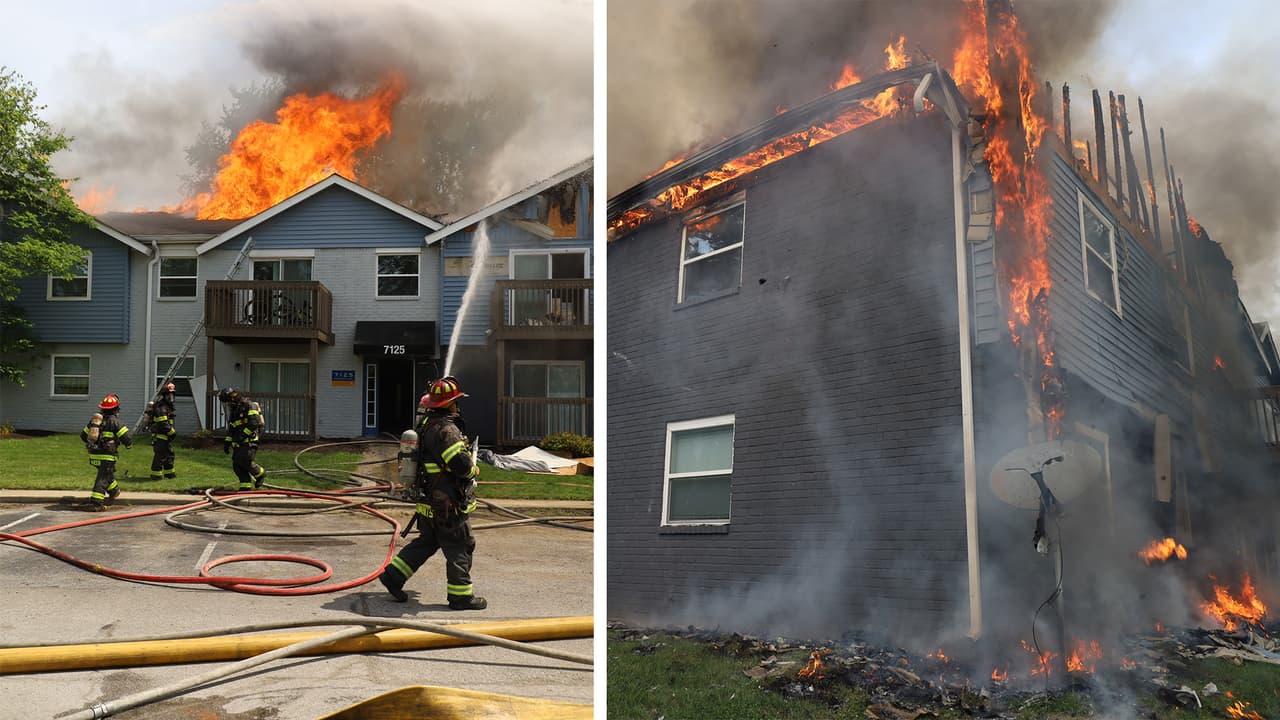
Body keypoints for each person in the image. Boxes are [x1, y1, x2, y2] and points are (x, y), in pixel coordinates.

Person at [378, 376, 486, 610]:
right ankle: (461, 597)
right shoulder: (446, 430)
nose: (458, 406)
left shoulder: (426, 425)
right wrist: (473, 469)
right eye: (456, 401)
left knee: (427, 542)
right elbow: (460, 465)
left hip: (429, 501)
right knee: (460, 545)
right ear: (450, 405)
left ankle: (393, 576)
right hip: (447, 504)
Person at [80, 394, 132, 511]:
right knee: (103, 478)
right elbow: (127, 438)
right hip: (107, 456)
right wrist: (129, 445)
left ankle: (114, 491)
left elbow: (83, 436)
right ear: (116, 409)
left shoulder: (94, 422)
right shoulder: (115, 422)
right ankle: (96, 503)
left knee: (106, 473)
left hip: (93, 454)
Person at [218, 387, 265, 491]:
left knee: (245, 461)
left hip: (249, 441)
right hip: (238, 441)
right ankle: (245, 486)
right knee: (237, 465)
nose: (227, 404)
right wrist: (227, 441)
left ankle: (260, 473)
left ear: (232, 398)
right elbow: (232, 427)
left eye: (227, 401)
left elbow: (254, 423)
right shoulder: (234, 409)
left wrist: (241, 436)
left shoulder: (249, 405)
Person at [145, 383, 178, 481]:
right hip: (160, 437)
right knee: (160, 456)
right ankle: (156, 475)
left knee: (169, 454)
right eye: (169, 395)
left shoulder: (167, 406)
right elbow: (163, 424)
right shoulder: (161, 407)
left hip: (165, 437)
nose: (171, 397)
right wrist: (172, 433)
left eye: (172, 395)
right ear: (164, 395)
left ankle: (169, 474)